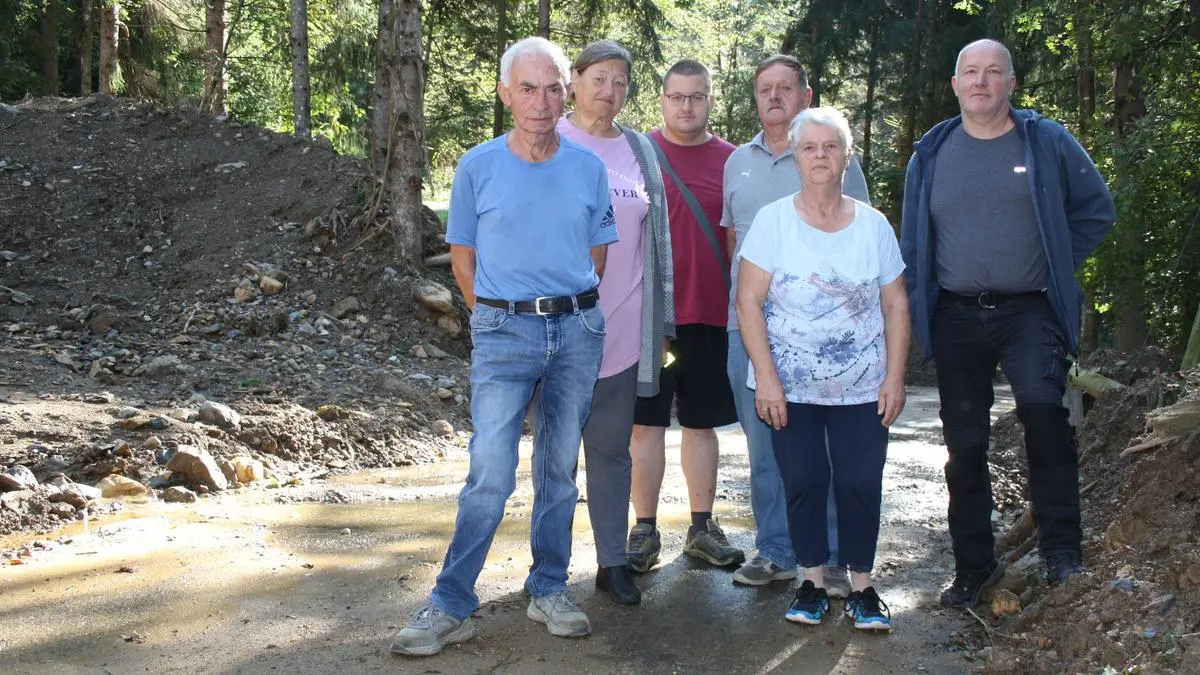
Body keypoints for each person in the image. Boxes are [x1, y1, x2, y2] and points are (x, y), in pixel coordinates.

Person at [391, 36, 618, 656]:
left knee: (558, 470)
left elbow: (594, 257)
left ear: (565, 92)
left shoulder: (589, 169)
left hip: (577, 330)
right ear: (505, 94)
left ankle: (549, 588)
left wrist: (560, 302)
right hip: (503, 332)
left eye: (551, 89)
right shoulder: (477, 166)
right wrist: (496, 315)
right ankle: (452, 602)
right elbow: (462, 259)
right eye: (527, 88)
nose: (541, 103)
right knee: (490, 471)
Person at [899, 39, 1115, 608]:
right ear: (955, 84)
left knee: (1046, 420)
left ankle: (1062, 554)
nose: (981, 81)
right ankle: (974, 566)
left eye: (993, 72)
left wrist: (1056, 258)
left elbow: (1097, 211)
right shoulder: (931, 152)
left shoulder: (1045, 141)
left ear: (1011, 84)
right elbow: (913, 242)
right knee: (963, 443)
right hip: (956, 314)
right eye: (970, 71)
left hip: (1030, 308)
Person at [736, 106, 909, 631]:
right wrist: (766, 377)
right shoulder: (772, 222)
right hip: (788, 386)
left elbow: (897, 304)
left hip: (863, 386)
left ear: (846, 156)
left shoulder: (873, 225)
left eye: (830, 146)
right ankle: (809, 583)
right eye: (809, 147)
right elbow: (748, 302)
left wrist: (895, 376)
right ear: (795, 157)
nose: (819, 156)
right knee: (805, 480)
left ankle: (861, 589)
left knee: (859, 480)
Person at [722, 54, 871, 597]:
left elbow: (863, 244)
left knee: (823, 449)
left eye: (787, 87)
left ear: (806, 95)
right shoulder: (737, 161)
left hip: (823, 335)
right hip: (749, 326)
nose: (776, 97)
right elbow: (733, 243)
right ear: (756, 97)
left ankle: (829, 557)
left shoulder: (830, 152)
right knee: (765, 445)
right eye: (766, 89)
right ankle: (777, 550)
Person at [554, 40, 674, 606]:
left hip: (625, 327)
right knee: (556, 456)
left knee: (611, 451)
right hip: (557, 330)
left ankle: (612, 562)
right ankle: (548, 571)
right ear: (574, 81)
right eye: (599, 78)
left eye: (621, 81)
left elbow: (661, 240)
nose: (609, 91)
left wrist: (663, 319)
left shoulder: (641, 151)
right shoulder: (548, 139)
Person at [623, 59, 744, 574]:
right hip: (650, 319)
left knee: (701, 425)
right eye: (677, 97)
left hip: (712, 316)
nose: (686, 106)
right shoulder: (637, 154)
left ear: (710, 101)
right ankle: (643, 530)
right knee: (644, 427)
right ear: (662, 100)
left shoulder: (734, 161)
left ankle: (701, 527)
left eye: (697, 97)